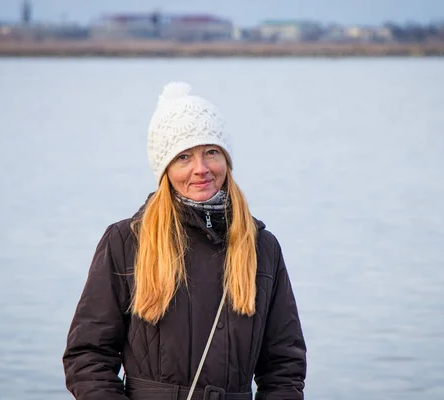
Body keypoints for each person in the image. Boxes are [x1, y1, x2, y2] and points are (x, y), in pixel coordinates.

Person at [62, 81, 307, 400]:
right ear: (164, 169)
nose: (201, 169)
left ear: (226, 160)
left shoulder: (263, 247)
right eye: (183, 157)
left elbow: (284, 367)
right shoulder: (126, 241)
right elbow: (87, 357)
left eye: (211, 152)